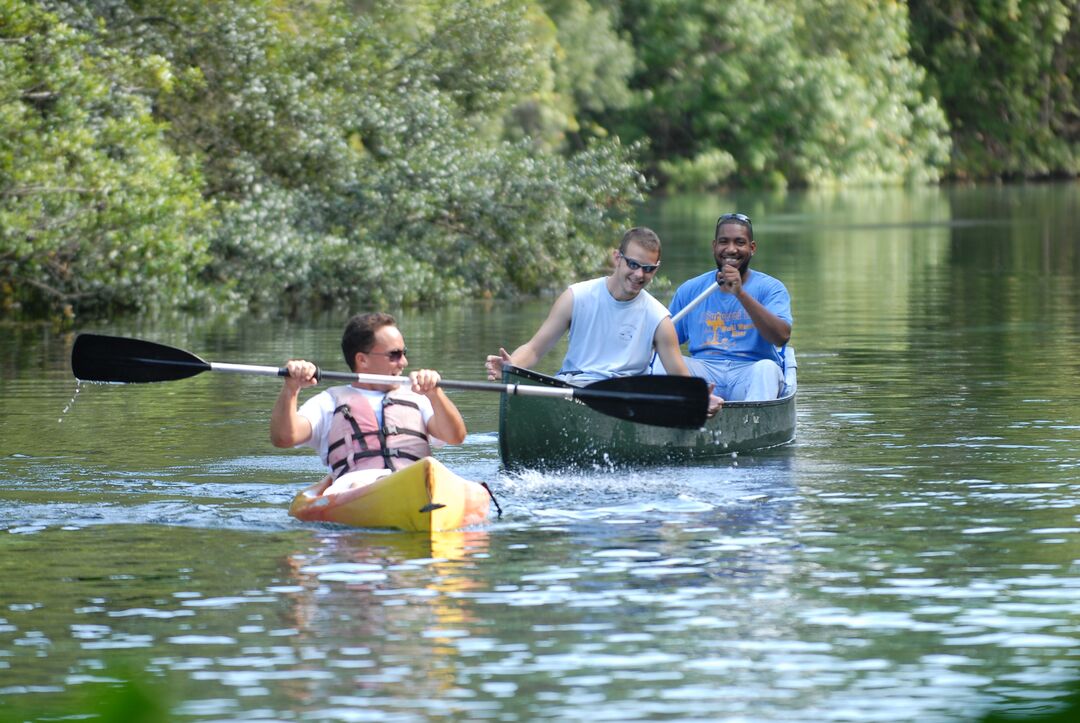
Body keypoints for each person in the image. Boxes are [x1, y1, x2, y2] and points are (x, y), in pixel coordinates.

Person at [271, 312, 467, 493]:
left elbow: (455, 437)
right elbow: (284, 438)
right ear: (362, 360)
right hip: (354, 488)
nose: (404, 363)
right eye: (395, 354)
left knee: (434, 474)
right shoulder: (328, 402)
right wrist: (291, 389)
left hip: (417, 483)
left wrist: (435, 393)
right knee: (359, 485)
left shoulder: (419, 398)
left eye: (404, 353)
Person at [485, 226, 696, 385]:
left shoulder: (659, 319)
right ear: (617, 258)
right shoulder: (576, 297)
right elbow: (534, 349)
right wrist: (512, 367)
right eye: (633, 264)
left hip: (627, 397)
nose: (639, 274)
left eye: (648, 269)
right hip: (573, 388)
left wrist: (702, 400)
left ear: (656, 269)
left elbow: (683, 382)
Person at [668, 212, 792, 401]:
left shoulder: (771, 288)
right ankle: (678, 422)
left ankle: (754, 429)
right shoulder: (690, 290)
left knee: (767, 369)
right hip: (704, 373)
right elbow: (664, 342)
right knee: (663, 362)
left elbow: (781, 337)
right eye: (724, 242)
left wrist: (740, 293)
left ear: (752, 248)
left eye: (740, 242)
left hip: (750, 371)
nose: (731, 249)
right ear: (714, 246)